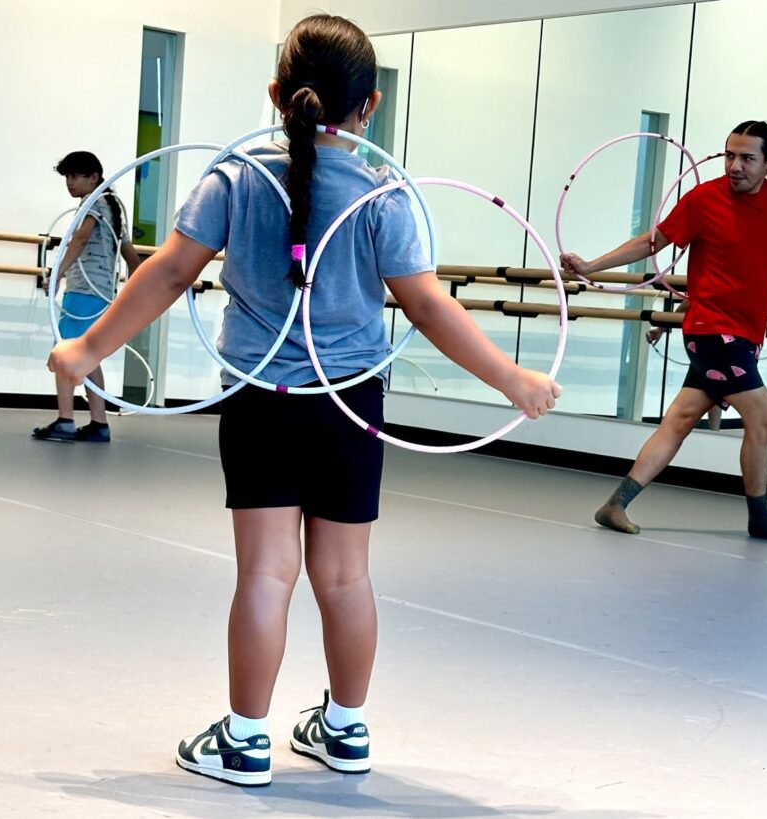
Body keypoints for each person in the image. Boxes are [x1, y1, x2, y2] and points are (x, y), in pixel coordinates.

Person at [47, 14, 561, 787]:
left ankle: (245, 740)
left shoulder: (235, 177)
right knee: (345, 575)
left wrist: (88, 349)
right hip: (350, 403)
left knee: (266, 572)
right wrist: (513, 379)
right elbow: (427, 306)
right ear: (370, 105)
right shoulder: (382, 194)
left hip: (262, 399)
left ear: (275, 94)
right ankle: (346, 728)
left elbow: (170, 272)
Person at [562, 120, 767, 542]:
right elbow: (653, 242)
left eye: (747, 158)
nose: (735, 166)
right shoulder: (704, 199)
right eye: (730, 155)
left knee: (680, 419)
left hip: (745, 333)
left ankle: (615, 504)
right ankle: (760, 516)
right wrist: (592, 266)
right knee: (764, 419)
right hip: (713, 330)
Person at [33, 151, 142, 443]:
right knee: (89, 356)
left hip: (84, 291)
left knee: (64, 353)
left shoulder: (95, 203)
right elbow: (130, 255)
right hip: (101, 293)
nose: (70, 182)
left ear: (94, 177)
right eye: (67, 177)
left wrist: (56, 274)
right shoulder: (113, 206)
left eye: (75, 176)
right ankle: (99, 423)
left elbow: (80, 239)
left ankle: (65, 420)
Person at [646, 301, 767, 431]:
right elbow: (691, 300)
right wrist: (661, 328)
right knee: (763, 420)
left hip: (734, 339)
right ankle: (714, 433)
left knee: (689, 411)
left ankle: (713, 433)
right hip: (727, 339)